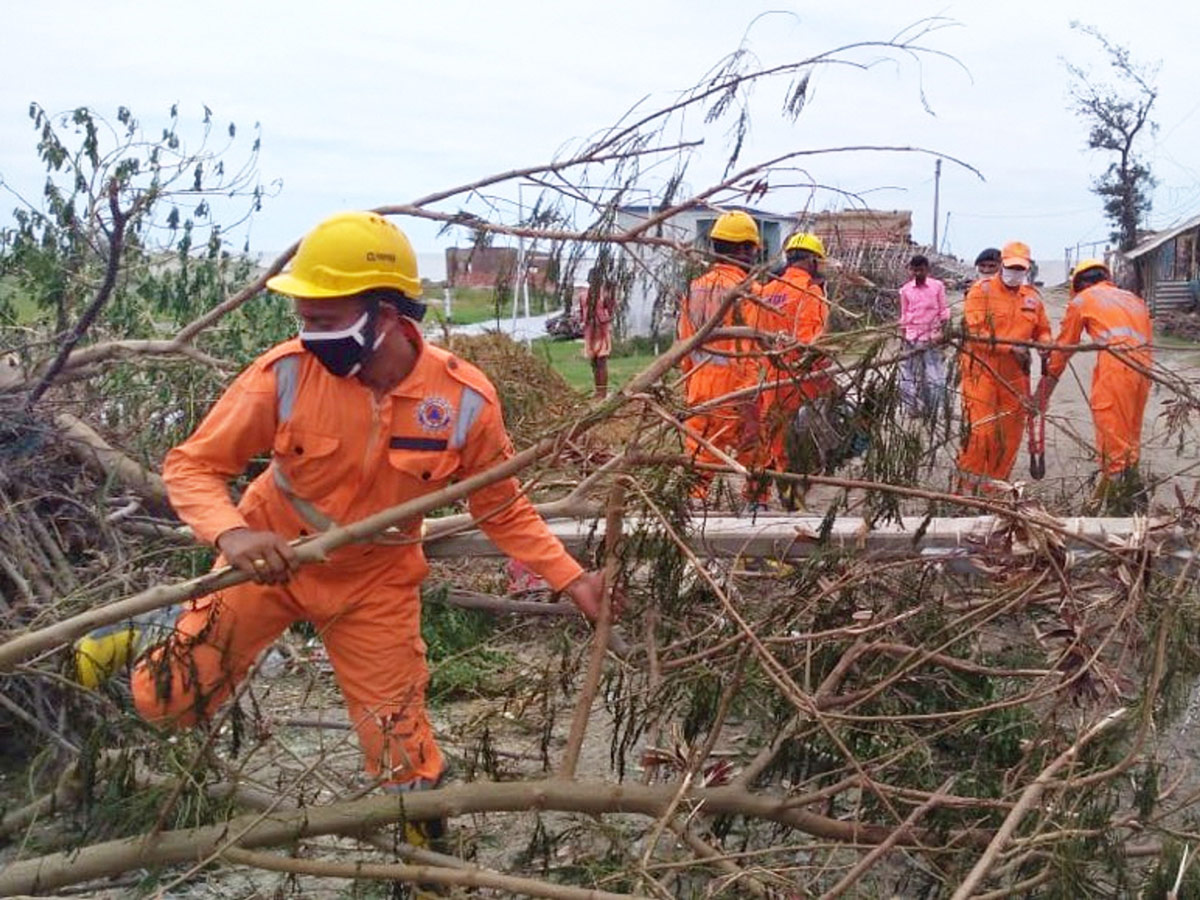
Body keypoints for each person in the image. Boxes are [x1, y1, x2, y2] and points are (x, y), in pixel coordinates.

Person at [76, 211, 607, 795]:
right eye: (303, 318)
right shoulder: (284, 375)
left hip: (374, 582)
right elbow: (194, 466)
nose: (309, 332)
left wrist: (571, 577)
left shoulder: (463, 402)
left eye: (323, 319)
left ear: (383, 315)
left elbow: (501, 507)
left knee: (402, 753)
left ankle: (425, 875)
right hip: (269, 560)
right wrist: (232, 535)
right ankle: (148, 632)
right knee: (171, 703)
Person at [1036, 258, 1153, 508]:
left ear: (1078, 283)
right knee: (1129, 439)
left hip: (1116, 368)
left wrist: (1042, 394)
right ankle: (1133, 497)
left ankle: (1121, 508)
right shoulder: (1134, 299)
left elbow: (1063, 348)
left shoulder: (1083, 299)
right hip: (1144, 370)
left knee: (1112, 438)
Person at [677, 210, 762, 500]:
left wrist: (691, 389)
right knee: (756, 465)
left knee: (696, 475)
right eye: (752, 250)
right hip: (735, 397)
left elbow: (685, 347)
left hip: (700, 395)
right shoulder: (748, 291)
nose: (754, 257)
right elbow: (748, 357)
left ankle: (686, 522)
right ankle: (756, 516)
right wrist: (750, 410)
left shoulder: (694, 289)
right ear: (742, 249)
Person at [956, 241, 1051, 492]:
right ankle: (966, 491)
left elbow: (1042, 329)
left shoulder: (1032, 297)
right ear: (1002, 265)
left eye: (1020, 269)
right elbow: (976, 331)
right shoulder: (981, 291)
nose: (1015, 273)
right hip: (981, 372)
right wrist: (1010, 348)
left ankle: (995, 491)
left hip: (1015, 375)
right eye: (1011, 267)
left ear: (1027, 268)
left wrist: (1044, 344)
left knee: (1009, 436)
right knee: (981, 433)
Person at [752, 232, 832, 506]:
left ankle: (755, 498)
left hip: (767, 377)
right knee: (796, 447)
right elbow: (812, 343)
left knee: (768, 438)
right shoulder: (811, 292)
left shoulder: (767, 290)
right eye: (819, 261)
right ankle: (791, 502)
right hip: (799, 381)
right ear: (811, 260)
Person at [897, 254, 949, 418]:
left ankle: (932, 409)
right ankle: (912, 408)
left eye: (921, 270)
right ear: (910, 270)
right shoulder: (905, 290)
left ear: (927, 270)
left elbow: (944, 311)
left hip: (931, 338)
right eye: (914, 270)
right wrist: (903, 335)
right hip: (911, 338)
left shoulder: (937, 286)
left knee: (934, 376)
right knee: (907, 375)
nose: (918, 273)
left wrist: (942, 333)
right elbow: (904, 313)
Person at [582, 266, 617, 399]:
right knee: (594, 362)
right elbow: (582, 313)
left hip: (601, 331)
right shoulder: (584, 295)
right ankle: (597, 389)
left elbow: (611, 309)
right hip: (590, 331)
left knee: (601, 361)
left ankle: (603, 391)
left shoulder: (604, 295)